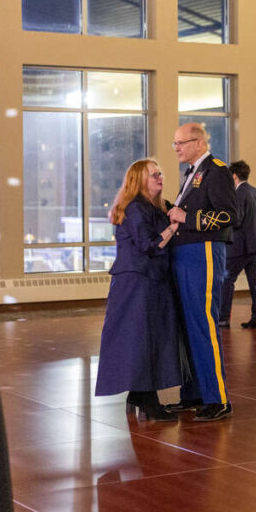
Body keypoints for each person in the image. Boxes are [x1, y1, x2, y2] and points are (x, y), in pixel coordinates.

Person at [94, 159, 186, 422]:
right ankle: (148, 399)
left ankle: (139, 393)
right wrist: (173, 227)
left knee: (146, 338)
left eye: (160, 173)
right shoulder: (135, 208)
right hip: (137, 282)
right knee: (142, 338)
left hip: (149, 280)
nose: (160, 177)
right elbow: (149, 245)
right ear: (138, 180)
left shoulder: (154, 206)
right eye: (154, 174)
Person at [164, 122, 238, 421]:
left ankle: (217, 398)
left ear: (198, 142)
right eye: (175, 143)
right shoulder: (193, 173)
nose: (176, 148)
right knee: (188, 326)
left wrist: (188, 217)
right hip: (185, 253)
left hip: (203, 252)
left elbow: (229, 215)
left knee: (203, 324)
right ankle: (193, 393)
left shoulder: (216, 171)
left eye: (180, 143)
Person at [218, 160, 256, 329]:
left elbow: (237, 220)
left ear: (234, 176)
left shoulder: (237, 194)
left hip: (238, 247)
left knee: (226, 280)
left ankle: (223, 318)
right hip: (255, 246)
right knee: (255, 283)